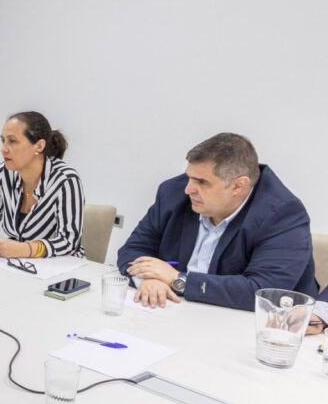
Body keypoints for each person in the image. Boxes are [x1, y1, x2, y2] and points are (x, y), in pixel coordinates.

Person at [117, 133, 316, 311]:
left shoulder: (282, 214)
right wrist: (148, 279)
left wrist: (178, 280)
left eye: (202, 182)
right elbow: (134, 248)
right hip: (175, 311)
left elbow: (261, 291)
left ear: (238, 186)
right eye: (189, 177)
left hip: (252, 325)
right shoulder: (173, 193)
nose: (188, 189)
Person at [0, 111, 85, 258]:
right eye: (3, 140)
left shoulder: (66, 179)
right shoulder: (4, 172)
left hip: (62, 266)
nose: (3, 149)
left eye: (12, 141)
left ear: (39, 146)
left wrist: (24, 249)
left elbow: (69, 241)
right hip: (19, 263)